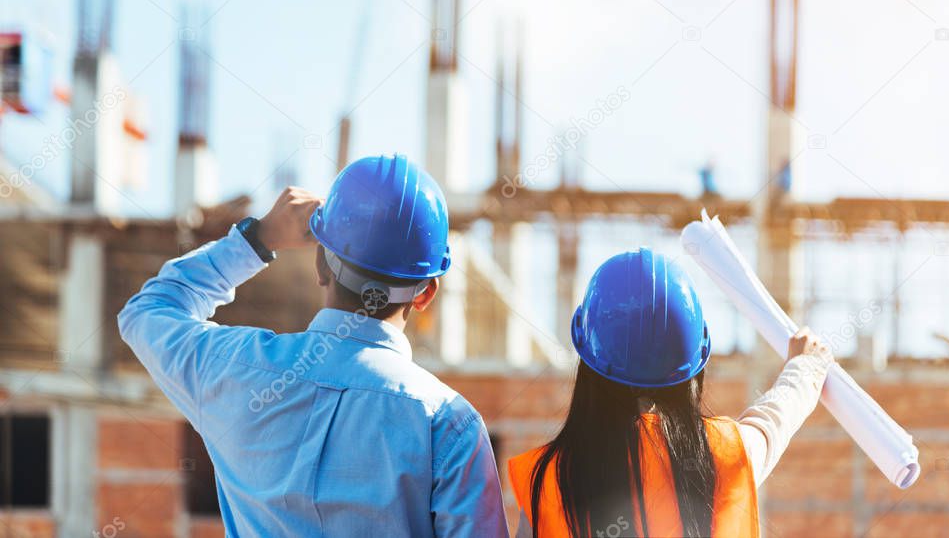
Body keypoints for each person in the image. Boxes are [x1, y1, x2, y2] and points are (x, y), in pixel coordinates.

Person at [119, 154, 509, 537]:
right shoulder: (448, 424)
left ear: (321, 265)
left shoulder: (234, 369)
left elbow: (148, 310)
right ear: (425, 294)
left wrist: (259, 238)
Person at [508, 248, 833, 538]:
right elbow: (775, 419)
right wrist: (805, 365)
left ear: (588, 363)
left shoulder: (548, 481)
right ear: (693, 366)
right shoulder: (725, 455)